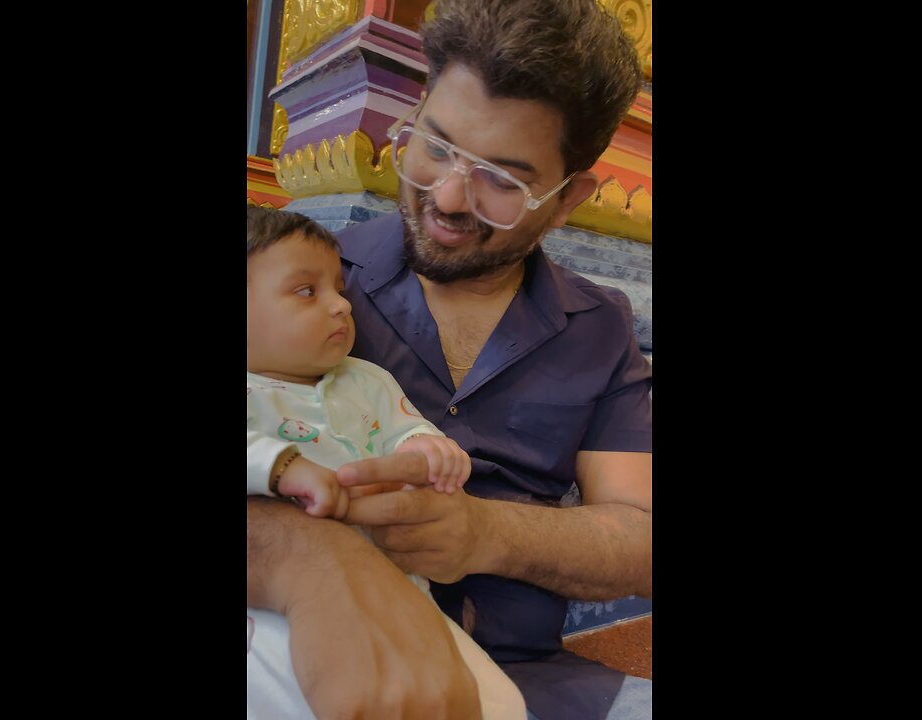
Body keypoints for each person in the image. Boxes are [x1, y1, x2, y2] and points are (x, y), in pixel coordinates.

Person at [248, 0, 651, 718]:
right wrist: (301, 555)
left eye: (504, 178)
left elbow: (641, 535)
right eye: (436, 145)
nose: (448, 196)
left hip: (531, 679)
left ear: (568, 201)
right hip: (298, 644)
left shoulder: (600, 325)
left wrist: (482, 533)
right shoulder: (298, 287)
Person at [244, 206, 525, 719]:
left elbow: (405, 429)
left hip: (399, 587)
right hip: (268, 601)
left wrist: (428, 449)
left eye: (339, 290)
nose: (339, 307)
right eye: (307, 291)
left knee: (498, 702)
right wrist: (280, 465)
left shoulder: (366, 380)